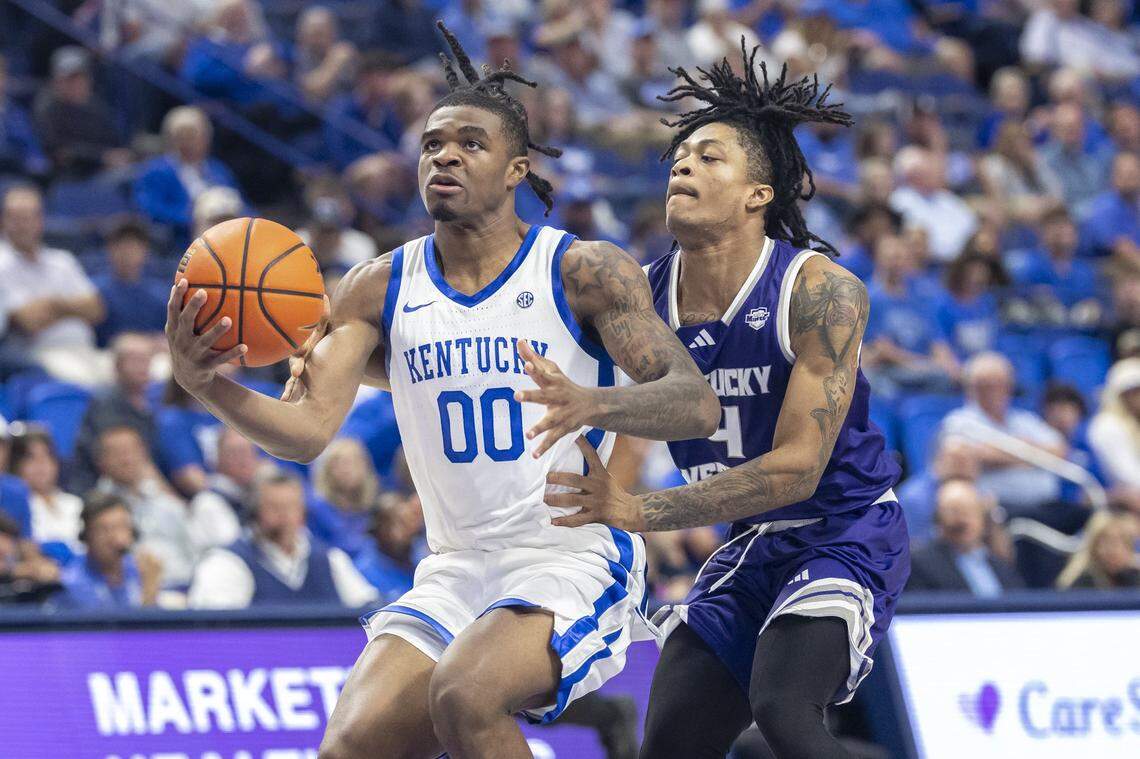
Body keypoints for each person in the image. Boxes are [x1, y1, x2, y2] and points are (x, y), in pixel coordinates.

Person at [164, 23, 716, 759]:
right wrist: (206, 383)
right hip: (455, 565)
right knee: (349, 746)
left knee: (465, 694)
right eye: (431, 144)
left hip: (570, 557)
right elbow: (304, 432)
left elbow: (694, 400)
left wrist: (596, 404)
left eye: (470, 143)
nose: (445, 155)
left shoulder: (582, 270)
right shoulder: (377, 286)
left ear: (517, 167)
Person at [546, 50, 909, 758]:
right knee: (670, 745)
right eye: (680, 156)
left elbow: (797, 470)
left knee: (784, 710)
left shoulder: (820, 291)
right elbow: (630, 445)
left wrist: (641, 512)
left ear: (758, 193)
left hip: (843, 527)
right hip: (747, 543)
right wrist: (587, 550)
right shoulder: (639, 298)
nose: (683, 166)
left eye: (710, 157)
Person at [188, 469, 378, 608]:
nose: (285, 516)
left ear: (303, 512)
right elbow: (217, 627)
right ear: (254, 511)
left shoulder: (329, 559)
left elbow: (369, 608)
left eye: (291, 507)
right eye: (275, 507)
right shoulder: (228, 561)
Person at [0, 185, 106, 386]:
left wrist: (52, 305)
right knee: (93, 387)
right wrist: (73, 307)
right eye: (14, 218)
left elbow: (96, 310)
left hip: (86, 350)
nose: (22, 225)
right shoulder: (1, 264)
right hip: (39, 355)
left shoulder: (62, 260)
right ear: (3, 222)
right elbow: (28, 321)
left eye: (27, 217)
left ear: (40, 221)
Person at [940, 352, 1068, 516]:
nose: (996, 391)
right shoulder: (959, 421)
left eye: (1002, 384)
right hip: (999, 508)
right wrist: (1034, 455)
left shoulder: (1025, 420)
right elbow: (973, 455)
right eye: (987, 385)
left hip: (1048, 505)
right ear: (972, 387)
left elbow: (1060, 450)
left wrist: (1005, 454)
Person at [92, 425, 197, 588]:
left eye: (131, 451)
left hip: (188, 588)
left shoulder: (163, 499)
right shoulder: (97, 508)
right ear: (101, 461)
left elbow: (193, 543)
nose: (126, 460)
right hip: (134, 594)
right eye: (117, 453)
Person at [134, 106, 243, 240]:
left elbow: (239, 202)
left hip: (227, 231)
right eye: (181, 136)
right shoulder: (156, 171)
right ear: (170, 139)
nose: (187, 143)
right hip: (182, 238)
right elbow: (150, 209)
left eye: (192, 136)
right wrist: (193, 217)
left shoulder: (218, 169)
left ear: (206, 139)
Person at [70, 333, 157, 494]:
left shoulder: (150, 405)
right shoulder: (105, 403)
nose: (142, 366)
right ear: (117, 365)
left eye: (146, 360)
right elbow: (122, 459)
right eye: (134, 360)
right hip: (98, 490)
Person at [906, 478, 1024, 595]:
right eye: (953, 512)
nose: (962, 520)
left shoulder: (1000, 564)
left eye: (968, 512)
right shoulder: (920, 563)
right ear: (938, 519)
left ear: (983, 518)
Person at [32, 46, 131, 179]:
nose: (76, 84)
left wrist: (121, 156)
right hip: (71, 177)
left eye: (80, 78)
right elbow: (59, 152)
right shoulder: (48, 109)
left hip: (105, 170)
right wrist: (101, 158)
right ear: (56, 81)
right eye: (70, 79)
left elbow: (114, 141)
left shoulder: (95, 106)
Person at [52, 492, 162, 609]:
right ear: (87, 535)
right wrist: (149, 589)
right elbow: (117, 624)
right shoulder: (72, 583)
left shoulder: (139, 569)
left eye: (122, 527)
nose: (117, 539)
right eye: (105, 530)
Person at [92, 219, 170, 346]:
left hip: (152, 358)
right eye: (121, 246)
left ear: (145, 251)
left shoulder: (160, 294)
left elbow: (169, 334)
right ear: (109, 249)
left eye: (133, 246)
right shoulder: (94, 290)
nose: (127, 253)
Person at [7, 425, 83, 552]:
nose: (41, 463)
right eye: (31, 457)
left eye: (47, 456)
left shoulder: (75, 503)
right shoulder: (14, 508)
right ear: (15, 465)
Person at [187, 426, 261, 552]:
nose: (244, 461)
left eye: (248, 452)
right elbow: (231, 551)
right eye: (236, 453)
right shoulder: (208, 502)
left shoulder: (256, 495)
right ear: (217, 459)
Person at [1088, 358, 1140, 489]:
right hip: (1121, 500)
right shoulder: (1107, 425)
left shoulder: (1135, 421)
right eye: (1133, 392)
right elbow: (1127, 477)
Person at [1057, 510, 1140, 589]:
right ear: (1093, 545)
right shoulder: (1081, 585)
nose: (1115, 551)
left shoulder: (1134, 579)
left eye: (1124, 542)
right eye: (1107, 542)